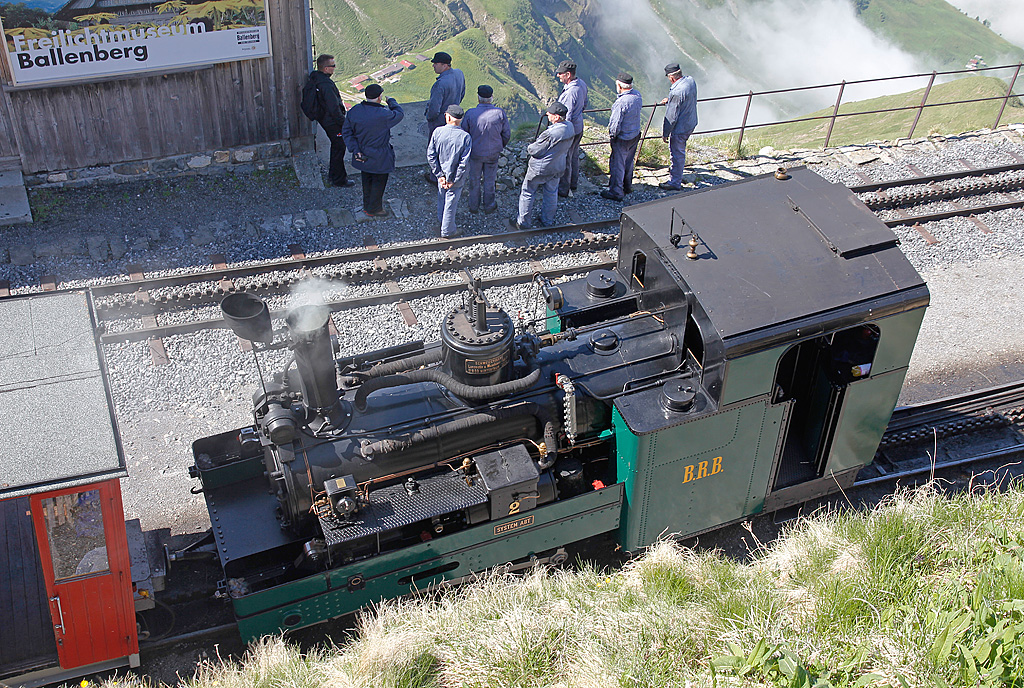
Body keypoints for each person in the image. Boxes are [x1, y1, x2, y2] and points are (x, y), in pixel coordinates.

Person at [341, 84, 405, 219]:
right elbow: (399, 114)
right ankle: (375, 209)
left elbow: (347, 132)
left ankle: (367, 205)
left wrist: (355, 149)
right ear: (379, 97)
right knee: (379, 181)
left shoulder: (354, 111)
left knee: (367, 179)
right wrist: (392, 101)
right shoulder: (384, 114)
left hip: (362, 153)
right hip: (380, 154)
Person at [511, 102, 575, 230]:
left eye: (550, 114)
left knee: (528, 192)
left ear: (556, 117)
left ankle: (523, 222)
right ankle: (547, 221)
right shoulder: (570, 127)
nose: (547, 115)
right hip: (559, 166)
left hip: (540, 168)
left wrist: (529, 146)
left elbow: (535, 150)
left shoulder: (550, 133)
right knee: (551, 192)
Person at [460, 84, 511, 214]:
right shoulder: (500, 113)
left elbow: (464, 134)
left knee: (474, 179)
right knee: (490, 179)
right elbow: (506, 134)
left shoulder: (471, 113)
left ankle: (473, 206)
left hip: (475, 153)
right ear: (491, 97)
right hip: (493, 153)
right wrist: (499, 145)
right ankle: (489, 206)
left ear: (478, 98)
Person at [305, 54, 354, 187]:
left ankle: (335, 176)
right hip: (331, 121)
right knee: (339, 147)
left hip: (324, 118)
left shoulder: (316, 78)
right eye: (332, 66)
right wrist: (344, 124)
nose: (334, 68)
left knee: (337, 147)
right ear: (326, 68)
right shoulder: (325, 84)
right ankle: (338, 180)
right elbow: (333, 108)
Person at [427, 104, 473, 239]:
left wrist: (439, 175)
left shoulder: (438, 132)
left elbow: (431, 155)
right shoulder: (466, 137)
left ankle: (442, 221)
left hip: (441, 175)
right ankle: (448, 231)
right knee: (451, 202)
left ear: (447, 117)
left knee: (442, 196)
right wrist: (453, 179)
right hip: (455, 179)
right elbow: (463, 163)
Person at [424, 51, 466, 183]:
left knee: (435, 149)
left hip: (440, 120)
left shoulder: (440, 84)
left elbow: (434, 108)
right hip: (454, 116)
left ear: (444, 65)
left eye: (435, 64)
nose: (433, 66)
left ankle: (435, 177)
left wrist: (430, 119)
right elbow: (462, 92)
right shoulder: (459, 73)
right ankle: (450, 173)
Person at [602, 72, 642, 202]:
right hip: (635, 134)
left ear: (619, 85)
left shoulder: (621, 103)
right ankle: (627, 186)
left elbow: (615, 125)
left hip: (623, 138)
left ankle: (616, 192)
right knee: (629, 162)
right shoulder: (637, 95)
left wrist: (613, 137)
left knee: (617, 164)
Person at [658, 62, 698, 191]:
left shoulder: (676, 92)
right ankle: (677, 176)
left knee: (677, 153)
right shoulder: (690, 81)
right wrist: (670, 100)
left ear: (671, 77)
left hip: (680, 128)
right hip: (691, 122)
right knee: (680, 150)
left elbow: (671, 116)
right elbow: (685, 98)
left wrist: (665, 133)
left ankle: (675, 182)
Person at [555, 59, 588, 197]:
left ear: (568, 75)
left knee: (565, 158)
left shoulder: (570, 93)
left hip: (570, 129)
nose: (558, 75)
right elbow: (585, 103)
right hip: (579, 126)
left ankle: (563, 189)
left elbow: (565, 117)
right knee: (574, 156)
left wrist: (561, 133)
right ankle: (573, 183)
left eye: (561, 73)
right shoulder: (582, 84)